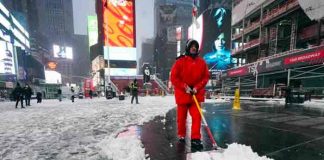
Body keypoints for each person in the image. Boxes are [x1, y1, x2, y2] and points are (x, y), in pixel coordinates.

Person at [170, 39, 210, 151]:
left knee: (197, 117)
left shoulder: (202, 62)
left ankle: (195, 139)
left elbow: (206, 77)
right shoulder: (180, 61)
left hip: (195, 96)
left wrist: (197, 87)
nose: (194, 48)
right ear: (188, 48)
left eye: (195, 47)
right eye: (192, 46)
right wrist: (185, 87)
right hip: (183, 95)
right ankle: (181, 135)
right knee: (181, 119)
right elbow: (173, 77)